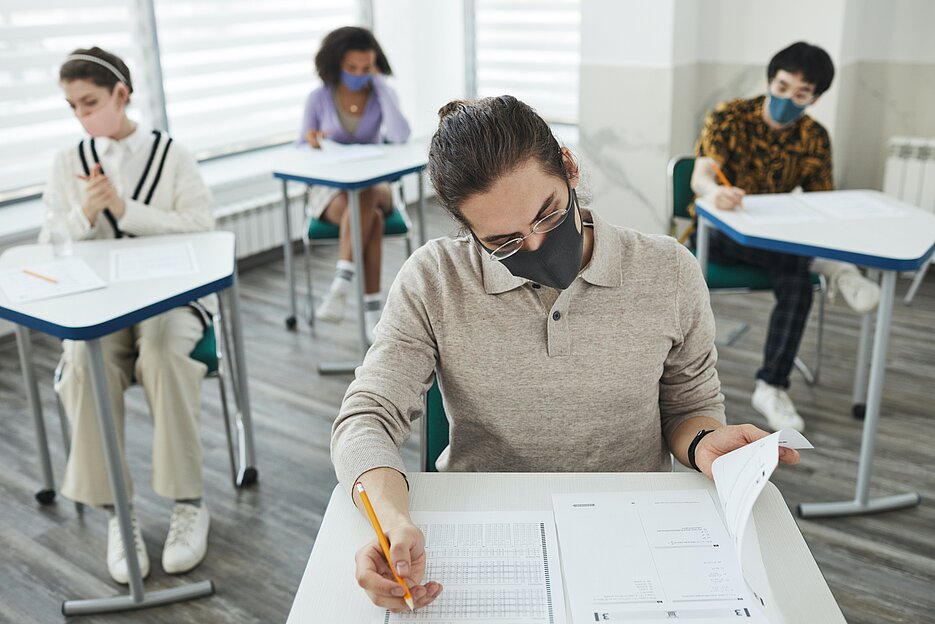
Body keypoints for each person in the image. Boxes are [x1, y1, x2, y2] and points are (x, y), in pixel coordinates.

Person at [331, 96, 801, 612]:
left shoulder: (667, 270)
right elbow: (367, 416)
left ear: (570, 168)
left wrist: (704, 442)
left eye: (547, 214)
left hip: (633, 527)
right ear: (469, 232)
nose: (534, 244)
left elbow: (689, 405)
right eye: (504, 241)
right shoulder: (435, 279)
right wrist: (390, 521)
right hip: (489, 530)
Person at [41, 47, 214, 584]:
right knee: (84, 362)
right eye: (72, 106)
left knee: (163, 355)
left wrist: (124, 210)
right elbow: (50, 242)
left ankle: (189, 502)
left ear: (122, 94)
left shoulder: (172, 154)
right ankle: (119, 510)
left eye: (89, 102)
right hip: (101, 303)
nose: (81, 116)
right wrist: (85, 211)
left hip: (172, 300)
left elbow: (201, 225)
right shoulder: (67, 162)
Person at [692, 41, 880, 433]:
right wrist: (714, 193)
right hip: (720, 234)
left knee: (796, 283)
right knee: (794, 266)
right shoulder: (730, 117)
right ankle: (837, 269)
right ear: (769, 80)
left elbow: (821, 206)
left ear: (815, 97)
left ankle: (771, 387)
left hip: (776, 243)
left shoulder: (814, 137)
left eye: (800, 94)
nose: (786, 99)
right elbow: (701, 174)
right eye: (781, 87)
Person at [298, 26, 411, 341]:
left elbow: (400, 135)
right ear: (335, 64)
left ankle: (341, 283)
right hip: (333, 192)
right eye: (352, 68)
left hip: (377, 187)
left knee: (366, 193)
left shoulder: (380, 94)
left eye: (366, 68)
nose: (359, 74)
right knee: (369, 218)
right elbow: (300, 148)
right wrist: (312, 142)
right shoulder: (318, 98)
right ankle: (373, 312)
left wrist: (381, 86)